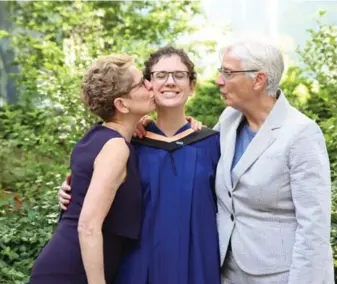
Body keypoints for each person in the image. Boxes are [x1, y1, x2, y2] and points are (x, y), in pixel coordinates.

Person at [58, 46, 221, 284]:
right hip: (138, 264)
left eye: (179, 75)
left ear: (192, 86)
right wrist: (68, 189)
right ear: (148, 85)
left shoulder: (212, 144)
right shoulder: (129, 145)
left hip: (195, 264)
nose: (170, 82)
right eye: (160, 75)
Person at [214, 39, 334, 283]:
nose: (219, 80)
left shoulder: (301, 133)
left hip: (278, 275)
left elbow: (314, 226)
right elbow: (198, 156)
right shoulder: (229, 119)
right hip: (228, 268)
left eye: (228, 72)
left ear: (258, 80)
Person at [30, 54, 156, 284]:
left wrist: (144, 122)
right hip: (73, 272)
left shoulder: (96, 137)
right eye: (141, 83)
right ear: (121, 104)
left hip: (62, 264)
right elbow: (87, 226)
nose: (150, 85)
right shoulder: (116, 147)